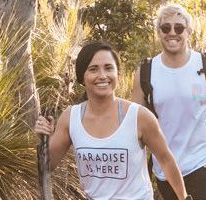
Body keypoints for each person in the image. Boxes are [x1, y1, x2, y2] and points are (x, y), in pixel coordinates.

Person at [34, 41, 190, 200]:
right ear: (82, 77)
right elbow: (45, 167)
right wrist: (44, 138)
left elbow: (166, 160)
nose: (102, 75)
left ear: (117, 74)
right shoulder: (71, 117)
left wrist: (184, 198)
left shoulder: (139, 117)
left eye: (108, 68)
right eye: (93, 69)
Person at [131, 3, 206, 200]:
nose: (172, 32)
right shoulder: (146, 72)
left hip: (203, 160)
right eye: (166, 27)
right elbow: (134, 124)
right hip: (164, 165)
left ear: (189, 31)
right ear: (159, 31)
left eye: (179, 27)